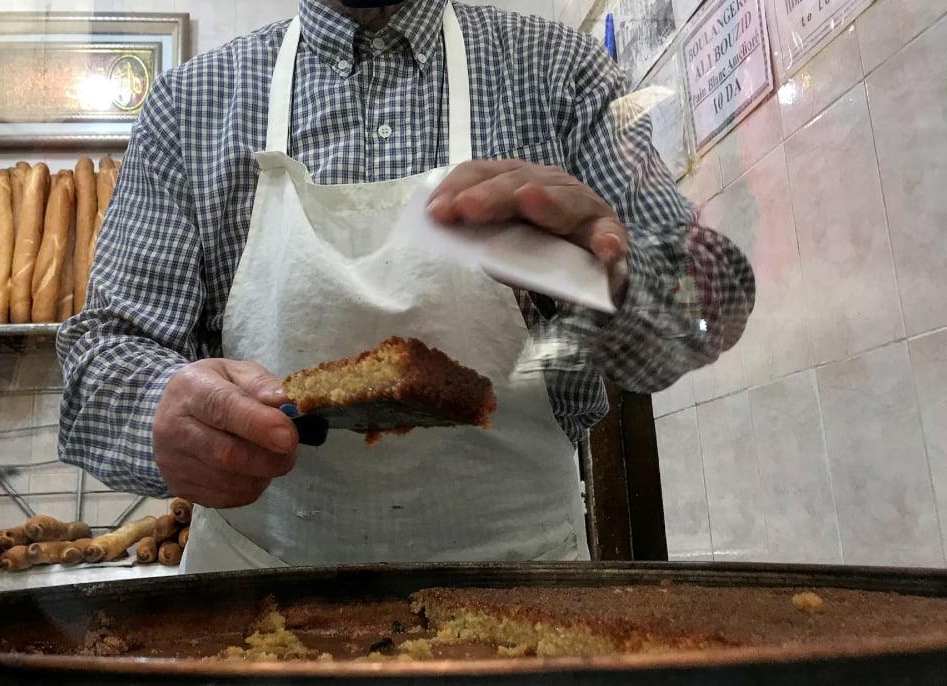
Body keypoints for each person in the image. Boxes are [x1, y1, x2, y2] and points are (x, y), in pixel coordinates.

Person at [56, 0, 754, 573]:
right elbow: (105, 354)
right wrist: (159, 413)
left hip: (523, 588)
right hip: (257, 593)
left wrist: (615, 285)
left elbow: (701, 314)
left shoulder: (560, 73)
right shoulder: (190, 105)